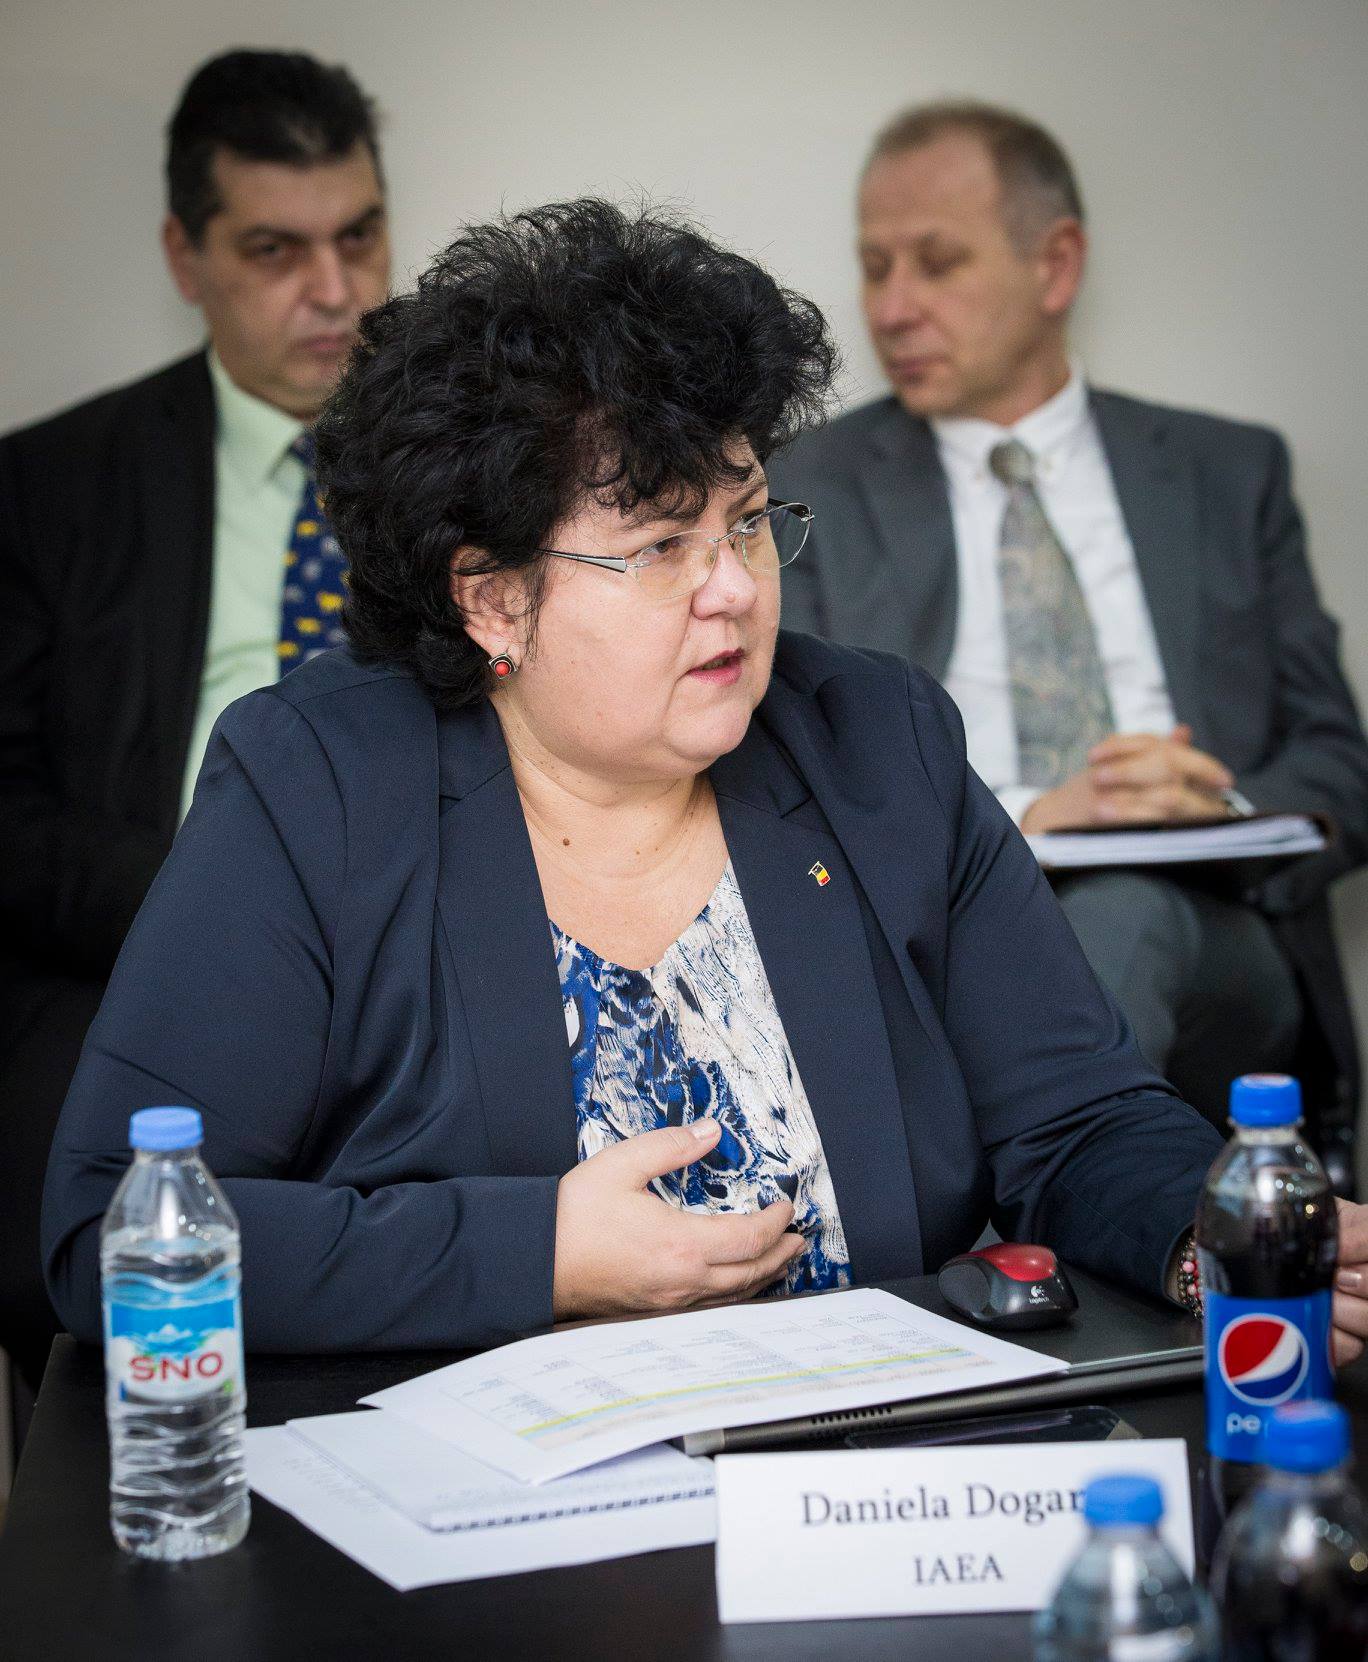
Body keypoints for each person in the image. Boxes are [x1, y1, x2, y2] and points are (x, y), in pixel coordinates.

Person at [39, 200, 1368, 1366]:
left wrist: (1210, 1232)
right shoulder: (316, 787)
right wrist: (536, 1252)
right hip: (495, 1523)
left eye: (746, 521)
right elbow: (116, 1234)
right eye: (661, 545)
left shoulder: (877, 744)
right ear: (492, 598)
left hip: (861, 1486)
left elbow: (1078, 1122)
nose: (733, 586)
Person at [770, 100, 1368, 1162]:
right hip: (939, 935)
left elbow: (1342, 766)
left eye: (937, 263)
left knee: (1122, 911)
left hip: (1216, 937)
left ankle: (1055, 1218)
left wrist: (1215, 809)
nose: (891, 308)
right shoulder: (807, 487)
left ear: (1055, 266)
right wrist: (1028, 819)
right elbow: (787, 777)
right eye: (873, 267)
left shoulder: (1227, 473)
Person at [0, 49, 390, 1392]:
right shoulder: (52, 487)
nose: (334, 290)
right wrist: (218, 902)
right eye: (277, 250)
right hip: (132, 952)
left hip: (418, 948)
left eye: (359, 236)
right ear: (187, 254)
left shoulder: (477, 472)